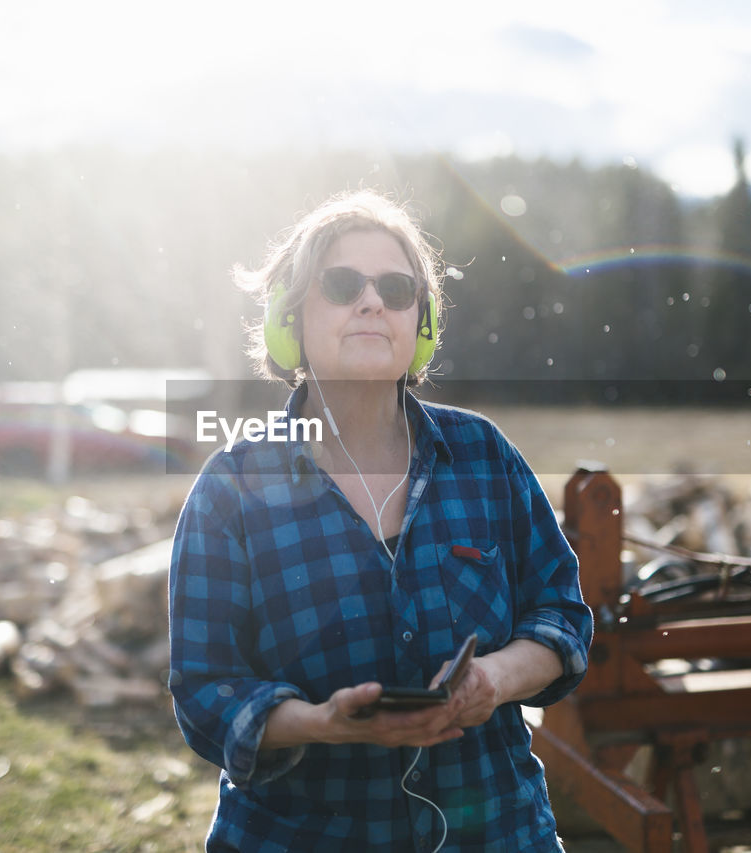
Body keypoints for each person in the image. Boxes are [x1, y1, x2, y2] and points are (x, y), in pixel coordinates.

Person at [168, 190, 593, 852]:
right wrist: (317, 722)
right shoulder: (231, 487)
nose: (372, 302)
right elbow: (204, 687)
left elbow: (562, 615)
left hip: (499, 832)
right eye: (341, 284)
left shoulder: (483, 454)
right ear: (291, 318)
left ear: (418, 324)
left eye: (396, 288)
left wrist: (494, 679)